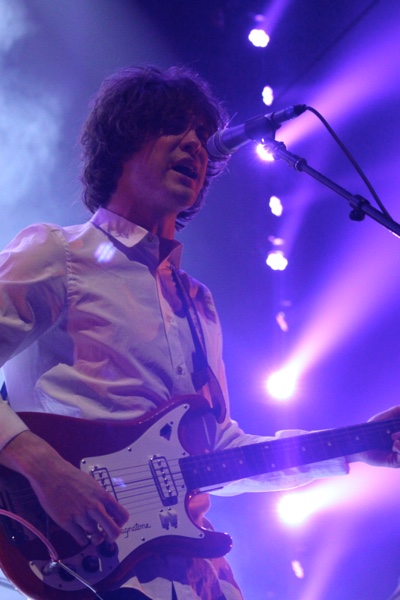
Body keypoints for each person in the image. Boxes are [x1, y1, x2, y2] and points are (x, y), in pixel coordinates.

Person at [0, 65, 399, 600]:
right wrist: (42, 466)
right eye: (173, 126)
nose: (196, 144)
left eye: (202, 134)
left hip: (193, 572)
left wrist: (354, 447)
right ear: (122, 143)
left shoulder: (196, 303)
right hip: (82, 563)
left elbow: (218, 447)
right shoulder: (60, 254)